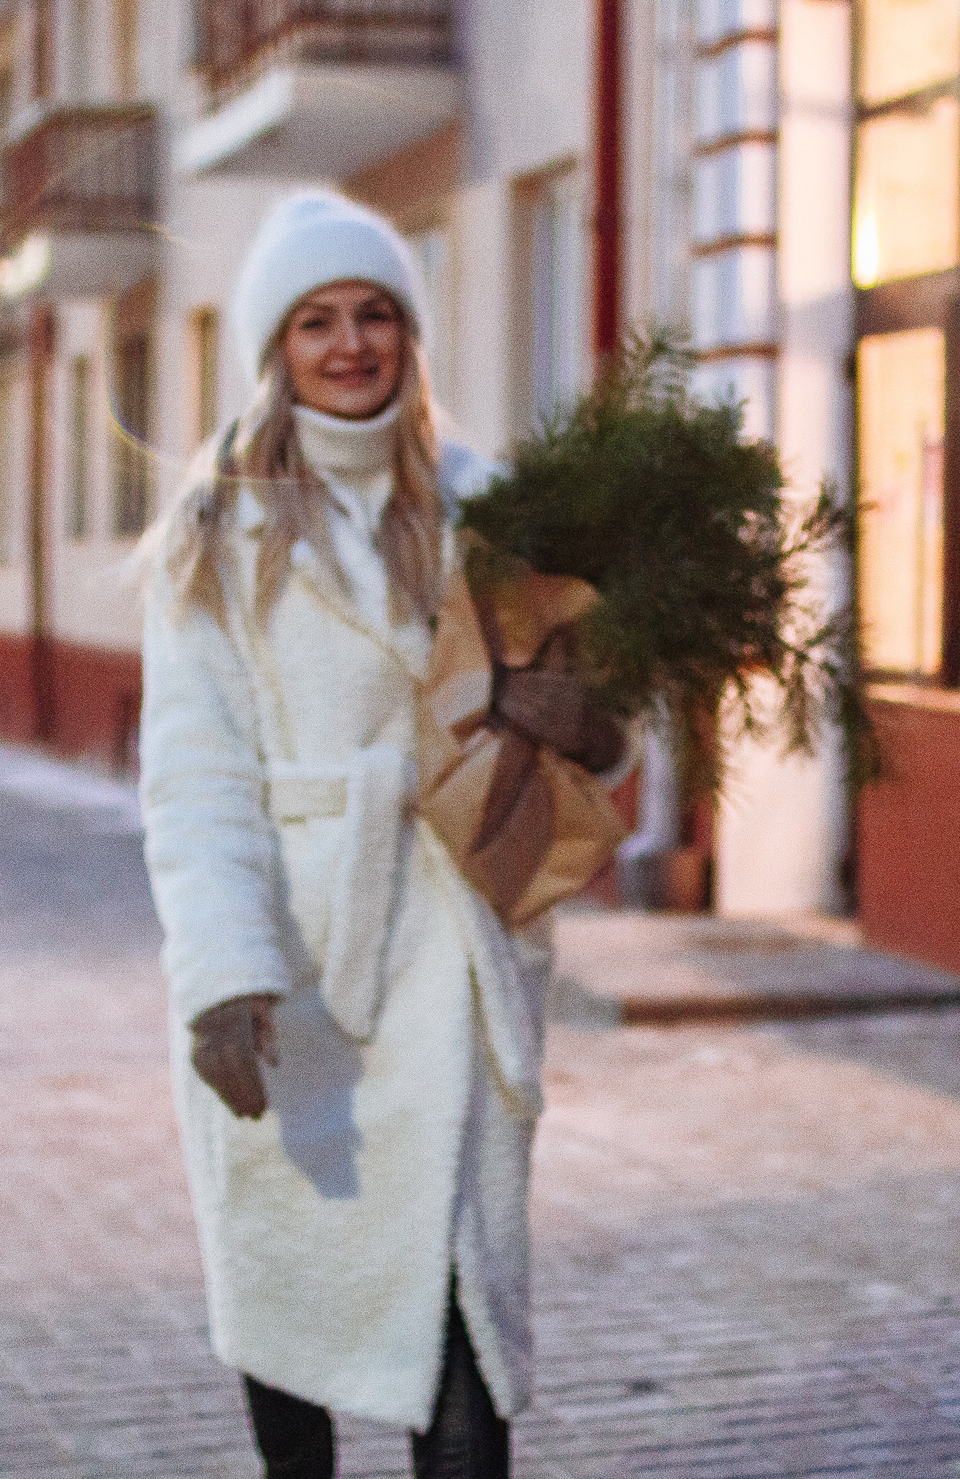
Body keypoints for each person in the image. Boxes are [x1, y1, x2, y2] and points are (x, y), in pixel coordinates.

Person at [139, 191, 619, 1479]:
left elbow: (596, 716)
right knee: (293, 1321)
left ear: (409, 336)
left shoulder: (488, 511)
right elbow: (195, 781)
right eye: (315, 322)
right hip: (301, 979)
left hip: (457, 959)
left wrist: (580, 716)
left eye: (374, 316)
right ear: (273, 348)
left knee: (464, 1343)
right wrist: (224, 978)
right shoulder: (215, 534)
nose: (349, 345)